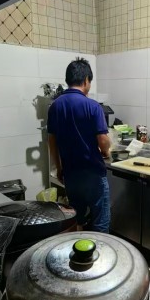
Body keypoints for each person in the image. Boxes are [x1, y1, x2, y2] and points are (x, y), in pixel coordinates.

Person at [47, 57, 111, 232]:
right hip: (93, 174)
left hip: (71, 174)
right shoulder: (93, 106)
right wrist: (106, 151)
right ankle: (100, 248)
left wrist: (59, 167)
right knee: (100, 221)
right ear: (86, 80)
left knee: (76, 219)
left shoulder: (55, 106)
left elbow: (52, 141)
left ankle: (78, 247)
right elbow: (103, 141)